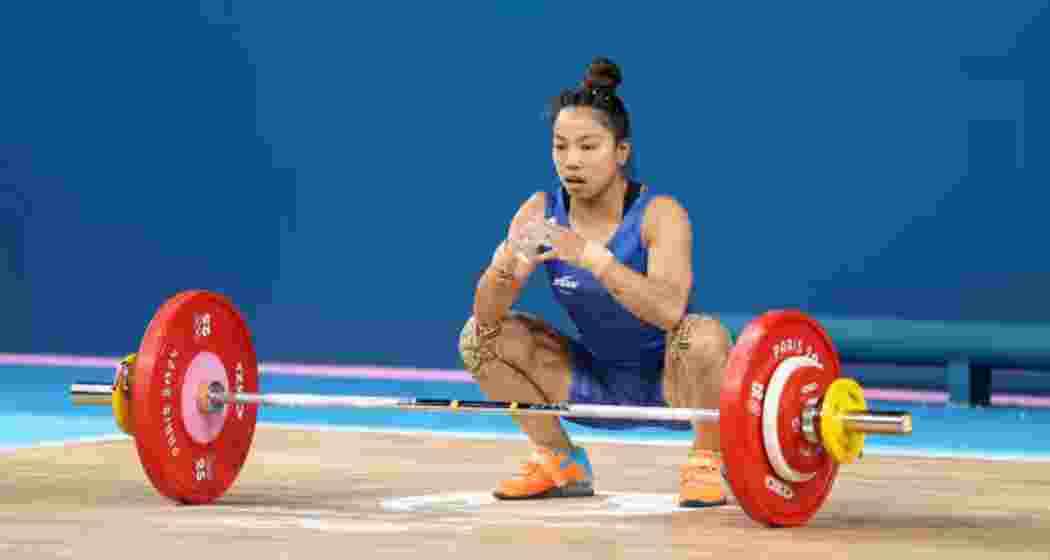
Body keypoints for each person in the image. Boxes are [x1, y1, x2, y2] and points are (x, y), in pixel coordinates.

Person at [458, 57, 733, 507]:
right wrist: (503, 266)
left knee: (704, 336)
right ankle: (558, 460)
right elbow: (486, 316)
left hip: (672, 384)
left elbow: (668, 311)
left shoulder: (661, 215)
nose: (571, 161)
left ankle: (706, 459)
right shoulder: (542, 212)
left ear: (620, 151)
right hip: (592, 383)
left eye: (588, 147)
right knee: (477, 339)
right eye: (560, 146)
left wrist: (590, 257)